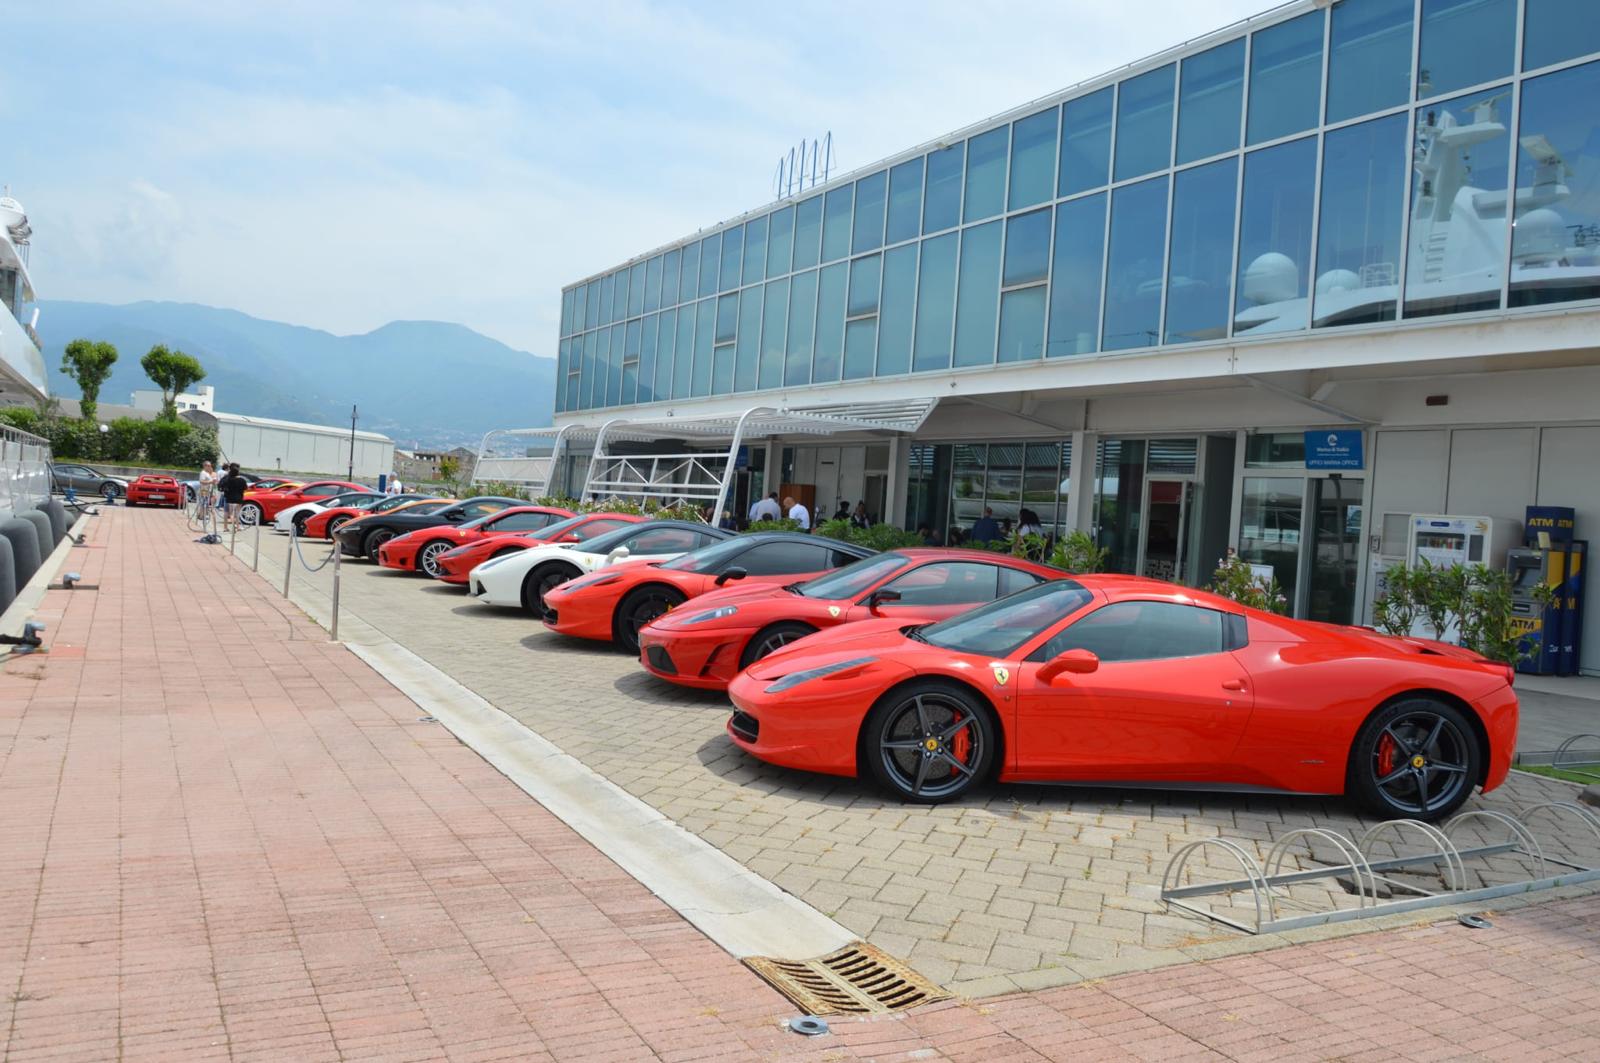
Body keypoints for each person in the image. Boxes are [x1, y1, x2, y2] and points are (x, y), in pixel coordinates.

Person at [219, 462, 249, 530]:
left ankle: (226, 527)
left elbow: (222, 486)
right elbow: (246, 488)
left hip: (229, 498)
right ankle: (237, 526)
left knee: (228, 513)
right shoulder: (242, 480)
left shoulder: (227, 478)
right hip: (239, 498)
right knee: (237, 513)